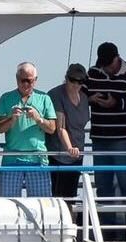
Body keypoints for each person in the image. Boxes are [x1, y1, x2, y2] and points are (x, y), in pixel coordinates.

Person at [87, 42, 126, 235]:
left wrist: (116, 103)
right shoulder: (93, 72)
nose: (105, 68)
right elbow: (81, 93)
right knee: (103, 185)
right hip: (100, 137)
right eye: (102, 64)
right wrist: (91, 99)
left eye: (108, 64)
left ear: (117, 58)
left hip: (123, 138)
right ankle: (107, 229)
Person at [0, 62, 56, 197]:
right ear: (17, 79)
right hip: (11, 159)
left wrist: (38, 118)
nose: (26, 84)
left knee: (40, 205)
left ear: (35, 80)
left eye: (29, 80)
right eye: (23, 80)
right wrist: (12, 118)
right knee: (8, 204)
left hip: (38, 159)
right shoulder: (6, 98)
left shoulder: (44, 98)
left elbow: (52, 128)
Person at [47, 63, 90, 201]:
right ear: (66, 78)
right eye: (72, 80)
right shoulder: (56, 95)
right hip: (59, 155)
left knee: (71, 196)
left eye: (80, 81)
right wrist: (69, 148)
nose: (76, 84)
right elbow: (61, 128)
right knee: (57, 197)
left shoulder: (84, 98)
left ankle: (71, 220)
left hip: (77, 156)